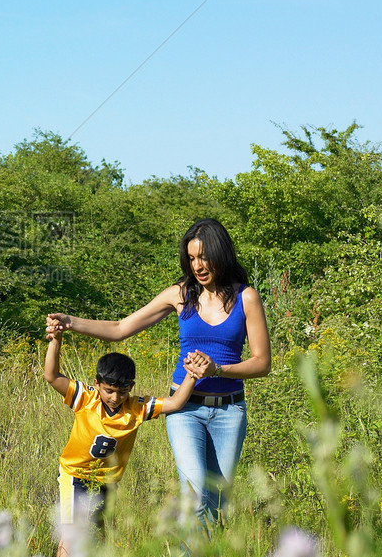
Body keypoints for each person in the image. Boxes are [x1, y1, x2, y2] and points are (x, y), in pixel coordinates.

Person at [47, 218, 271, 530]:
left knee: (217, 502)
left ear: (220, 254)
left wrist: (218, 369)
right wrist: (70, 322)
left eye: (203, 257)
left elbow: (262, 363)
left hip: (230, 411)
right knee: (193, 495)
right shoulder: (180, 294)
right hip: (186, 409)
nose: (197, 266)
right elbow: (120, 329)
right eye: (191, 258)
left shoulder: (246, 298)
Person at [45, 321, 198, 557]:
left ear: (132, 387)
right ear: (98, 383)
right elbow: (51, 376)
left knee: (101, 532)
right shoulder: (85, 397)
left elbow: (175, 403)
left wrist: (192, 375)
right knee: (71, 533)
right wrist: (56, 341)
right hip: (76, 476)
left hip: (108, 480)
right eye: (109, 391)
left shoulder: (137, 407)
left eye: (122, 391)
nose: (115, 398)